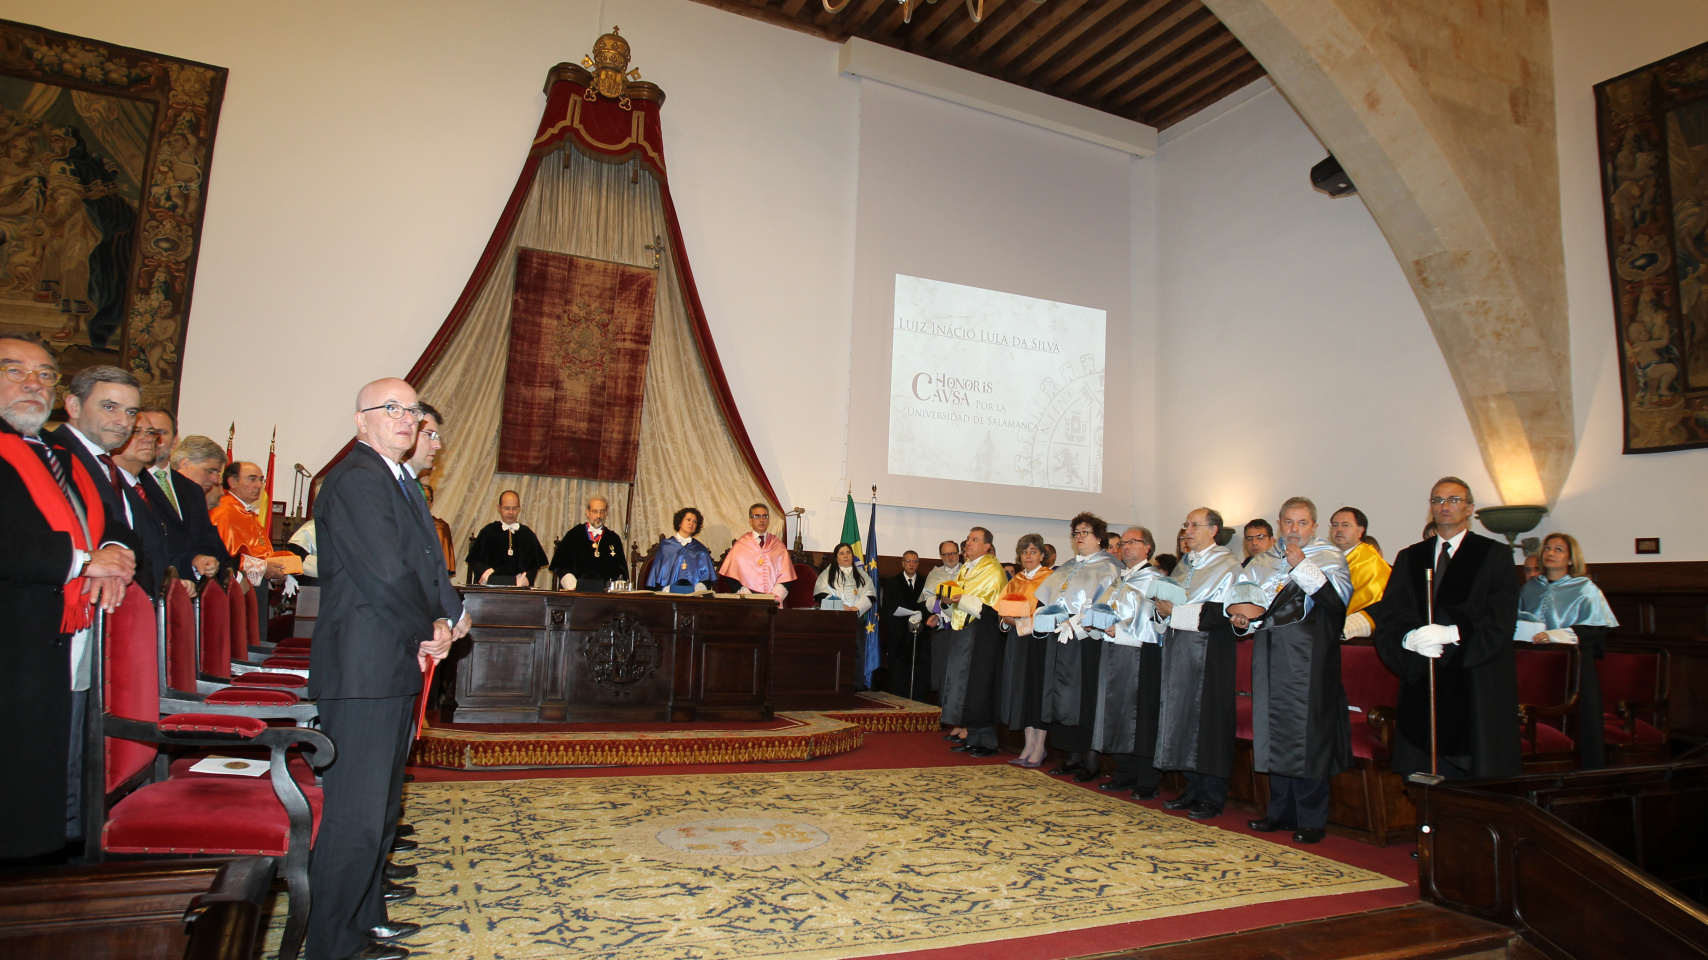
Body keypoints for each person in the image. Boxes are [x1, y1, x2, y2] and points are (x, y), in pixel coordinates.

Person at [306, 379, 460, 960]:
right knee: (355, 814)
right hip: (365, 666)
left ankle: (366, 918)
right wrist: (431, 626)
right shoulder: (355, 479)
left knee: (380, 808)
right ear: (360, 421)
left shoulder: (396, 480)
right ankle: (333, 945)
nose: (405, 418)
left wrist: (445, 616)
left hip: (392, 659)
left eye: (412, 409)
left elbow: (424, 563)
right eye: (390, 408)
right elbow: (385, 575)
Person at [0, 332, 135, 863]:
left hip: (60, 639)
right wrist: (84, 561)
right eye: (16, 371)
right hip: (15, 635)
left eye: (45, 375)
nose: (34, 384)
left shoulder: (57, 455)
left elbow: (115, 525)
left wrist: (113, 549)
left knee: (45, 779)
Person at [1369, 476, 1520, 780]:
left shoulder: (1494, 555)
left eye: (1454, 500)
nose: (1444, 506)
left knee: (1469, 773)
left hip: (1473, 681)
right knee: (1424, 773)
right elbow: (1392, 614)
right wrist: (1408, 638)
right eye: (1437, 500)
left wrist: (1454, 633)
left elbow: (1500, 615)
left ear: (1470, 508)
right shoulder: (1411, 557)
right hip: (1422, 675)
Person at [1233, 498, 1353, 844]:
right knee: (1274, 729)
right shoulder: (1263, 560)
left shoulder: (1328, 556)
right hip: (1270, 652)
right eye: (1288, 523)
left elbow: (1336, 605)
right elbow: (1249, 605)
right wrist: (1241, 622)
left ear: (1314, 526)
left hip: (1310, 655)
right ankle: (1278, 811)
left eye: (1302, 523)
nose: (1294, 530)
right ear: (1279, 524)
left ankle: (1311, 818)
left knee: (1307, 735)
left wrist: (1303, 567)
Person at [1153, 507, 1243, 819]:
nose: (1187, 530)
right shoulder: (1184, 565)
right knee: (1186, 720)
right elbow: (1168, 605)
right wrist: (1162, 612)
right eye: (1186, 525)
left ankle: (1212, 795)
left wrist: (1174, 612)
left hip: (1211, 654)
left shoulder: (1229, 565)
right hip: (1180, 653)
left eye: (1194, 525)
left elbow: (1226, 612)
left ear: (1213, 530)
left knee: (1209, 724)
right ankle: (1192, 788)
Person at [46, 366, 163, 597]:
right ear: (74, 406)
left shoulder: (111, 467)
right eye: (110, 407)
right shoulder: (51, 454)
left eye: (131, 412)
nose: (123, 422)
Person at [1032, 513, 1123, 781]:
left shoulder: (1109, 566)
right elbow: (1047, 598)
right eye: (1076, 533)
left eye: (1086, 532)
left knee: (1085, 698)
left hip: (1087, 642)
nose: (1080, 537)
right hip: (1061, 638)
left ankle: (1091, 760)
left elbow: (1108, 605)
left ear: (1099, 537)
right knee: (1062, 697)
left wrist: (1078, 624)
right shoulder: (1068, 565)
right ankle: (1072, 755)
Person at [1518, 532, 1616, 769]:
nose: (1550, 553)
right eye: (1547, 548)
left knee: (1581, 721)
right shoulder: (1530, 588)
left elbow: (1596, 629)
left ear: (1571, 559)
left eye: (1558, 550)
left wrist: (1555, 635)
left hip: (1573, 664)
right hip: (1535, 663)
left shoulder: (1585, 588)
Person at [1088, 526, 1169, 799]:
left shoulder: (1156, 579)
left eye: (1132, 542)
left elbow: (1155, 621)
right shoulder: (1119, 578)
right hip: (1115, 653)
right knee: (1118, 711)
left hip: (1143, 655)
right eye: (1122, 543)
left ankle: (1147, 779)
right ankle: (1124, 772)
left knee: (1142, 717)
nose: (1125, 547)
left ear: (1148, 547)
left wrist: (1117, 630)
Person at [938, 527, 1007, 757]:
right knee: (965, 687)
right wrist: (947, 602)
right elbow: (957, 598)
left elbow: (990, 607)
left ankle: (987, 741)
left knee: (980, 687)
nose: (968, 543)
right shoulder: (966, 569)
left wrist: (960, 598)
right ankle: (973, 737)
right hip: (963, 632)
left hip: (983, 634)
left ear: (987, 546)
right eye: (968, 538)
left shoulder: (993, 570)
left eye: (974, 539)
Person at [997, 534, 1051, 767]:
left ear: (1042, 555)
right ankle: (1027, 745)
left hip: (1040, 642)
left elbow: (1050, 614)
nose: (1028, 556)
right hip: (1017, 642)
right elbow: (1001, 612)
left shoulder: (1050, 579)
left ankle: (1040, 746)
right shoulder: (1015, 579)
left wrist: (1020, 623)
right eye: (1024, 552)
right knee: (1021, 690)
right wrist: (1006, 620)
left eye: (1033, 552)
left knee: (1037, 691)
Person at [161, 435, 234, 578]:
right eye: (210, 471)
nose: (215, 479)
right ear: (185, 463)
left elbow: (211, 546)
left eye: (217, 473)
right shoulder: (152, 485)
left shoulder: (195, 495)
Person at [209, 460, 287, 585]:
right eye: (252, 479)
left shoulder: (246, 511)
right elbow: (222, 557)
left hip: (253, 584)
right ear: (232, 482)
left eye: (261, 480)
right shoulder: (223, 512)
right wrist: (263, 568)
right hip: (235, 584)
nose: (259, 485)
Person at [408, 403, 458, 578]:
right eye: (430, 435)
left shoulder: (415, 487)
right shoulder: (386, 483)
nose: (437, 445)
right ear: (408, 433)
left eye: (438, 437)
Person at [1332, 506, 1391, 640]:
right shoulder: (1329, 558)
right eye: (1335, 525)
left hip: (1361, 633)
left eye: (1345, 525)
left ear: (1361, 530)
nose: (1339, 529)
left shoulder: (1369, 559)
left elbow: (1377, 603)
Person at [470, 491, 549, 587]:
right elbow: (476, 561)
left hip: (520, 590)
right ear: (499, 508)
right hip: (491, 588)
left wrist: (525, 579)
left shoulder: (527, 534)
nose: (511, 512)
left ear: (519, 508)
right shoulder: (488, 532)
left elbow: (533, 565)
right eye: (506, 508)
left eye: (514, 508)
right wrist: (489, 577)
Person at [718, 502, 793, 603]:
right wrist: (747, 595)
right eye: (757, 516)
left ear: (768, 520)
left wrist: (775, 596)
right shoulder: (741, 545)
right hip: (747, 600)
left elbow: (786, 575)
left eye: (765, 516)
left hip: (772, 600)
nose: (761, 520)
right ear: (750, 521)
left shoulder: (778, 545)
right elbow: (731, 575)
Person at [881, 550, 929, 699]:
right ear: (902, 563)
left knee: (919, 671)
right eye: (908, 561)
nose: (911, 564)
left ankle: (918, 701)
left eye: (914, 561)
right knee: (899, 672)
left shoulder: (925, 582)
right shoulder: (892, 582)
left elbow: (929, 605)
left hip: (919, 635)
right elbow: (888, 609)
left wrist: (921, 616)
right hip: (899, 634)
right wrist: (903, 622)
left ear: (918, 564)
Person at [646, 507, 717, 592]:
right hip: (668, 595)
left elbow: (707, 578)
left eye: (695, 522)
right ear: (680, 522)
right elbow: (656, 575)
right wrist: (665, 589)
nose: (691, 523)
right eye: (688, 519)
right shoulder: (666, 546)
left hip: (694, 597)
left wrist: (697, 589)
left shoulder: (700, 549)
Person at [813, 542, 875, 612]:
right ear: (836, 557)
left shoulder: (862, 575)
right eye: (841, 553)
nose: (846, 556)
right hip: (834, 615)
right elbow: (821, 594)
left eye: (848, 552)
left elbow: (870, 594)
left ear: (852, 555)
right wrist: (839, 606)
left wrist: (857, 607)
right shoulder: (827, 575)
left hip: (855, 615)